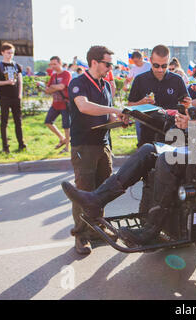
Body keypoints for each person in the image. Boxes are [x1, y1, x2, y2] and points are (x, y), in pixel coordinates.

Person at [61, 48, 196, 246]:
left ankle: (151, 230)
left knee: (166, 158)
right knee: (148, 150)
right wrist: (184, 122)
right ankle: (97, 199)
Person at [65, 45, 129, 255]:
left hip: (103, 144)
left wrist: (120, 120)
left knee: (101, 190)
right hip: (83, 145)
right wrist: (114, 110)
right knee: (83, 191)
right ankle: (81, 236)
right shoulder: (78, 83)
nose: (111, 68)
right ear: (94, 62)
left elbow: (108, 117)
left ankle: (97, 229)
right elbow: (84, 107)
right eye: (108, 63)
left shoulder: (107, 86)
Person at [127, 45, 190, 148]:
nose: (160, 70)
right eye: (156, 65)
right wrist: (141, 103)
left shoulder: (177, 80)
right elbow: (129, 105)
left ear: (168, 62)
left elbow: (187, 106)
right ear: (151, 60)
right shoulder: (140, 80)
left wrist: (187, 105)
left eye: (164, 66)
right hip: (148, 134)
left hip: (173, 134)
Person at [0, 42, 26, 154]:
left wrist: (20, 94)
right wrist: (6, 82)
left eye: (12, 53)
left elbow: (20, 80)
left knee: (19, 121)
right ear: (2, 53)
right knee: (4, 122)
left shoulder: (17, 66)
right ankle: (5, 146)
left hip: (16, 97)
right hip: (5, 97)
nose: (10, 55)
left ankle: (21, 144)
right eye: (8, 53)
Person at [44, 56, 72, 154]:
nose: (53, 66)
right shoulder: (53, 76)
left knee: (66, 126)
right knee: (48, 122)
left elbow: (61, 86)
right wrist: (52, 88)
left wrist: (52, 87)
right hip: (55, 104)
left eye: (54, 64)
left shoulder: (66, 74)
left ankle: (67, 147)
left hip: (65, 104)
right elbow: (47, 90)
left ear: (60, 63)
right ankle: (62, 138)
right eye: (51, 64)